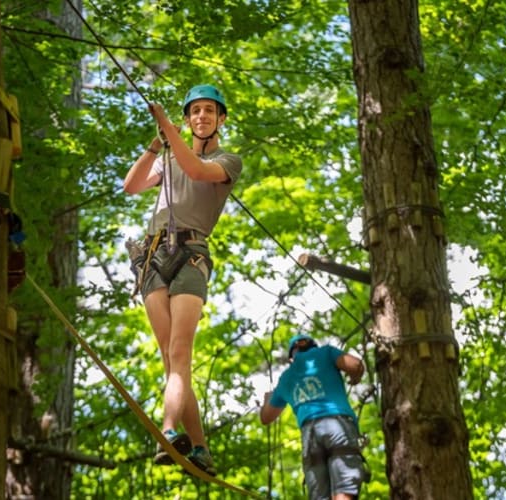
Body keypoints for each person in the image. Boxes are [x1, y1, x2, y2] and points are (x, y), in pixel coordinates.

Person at [123, 84, 242, 475]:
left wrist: (169, 131)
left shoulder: (228, 160)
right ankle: (200, 447)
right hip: (153, 258)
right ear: (188, 119)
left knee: (180, 353)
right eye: (195, 112)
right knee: (170, 358)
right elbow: (131, 185)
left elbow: (196, 169)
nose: (202, 117)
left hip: (191, 255)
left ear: (221, 118)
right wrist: (157, 144)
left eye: (210, 111)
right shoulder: (168, 159)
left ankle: (170, 430)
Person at [260, 334, 368, 499]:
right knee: (344, 488)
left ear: (292, 357)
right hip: (338, 424)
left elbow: (266, 418)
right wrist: (355, 376)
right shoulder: (325, 353)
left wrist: (267, 399)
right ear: (313, 346)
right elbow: (355, 365)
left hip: (309, 435)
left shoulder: (286, 378)